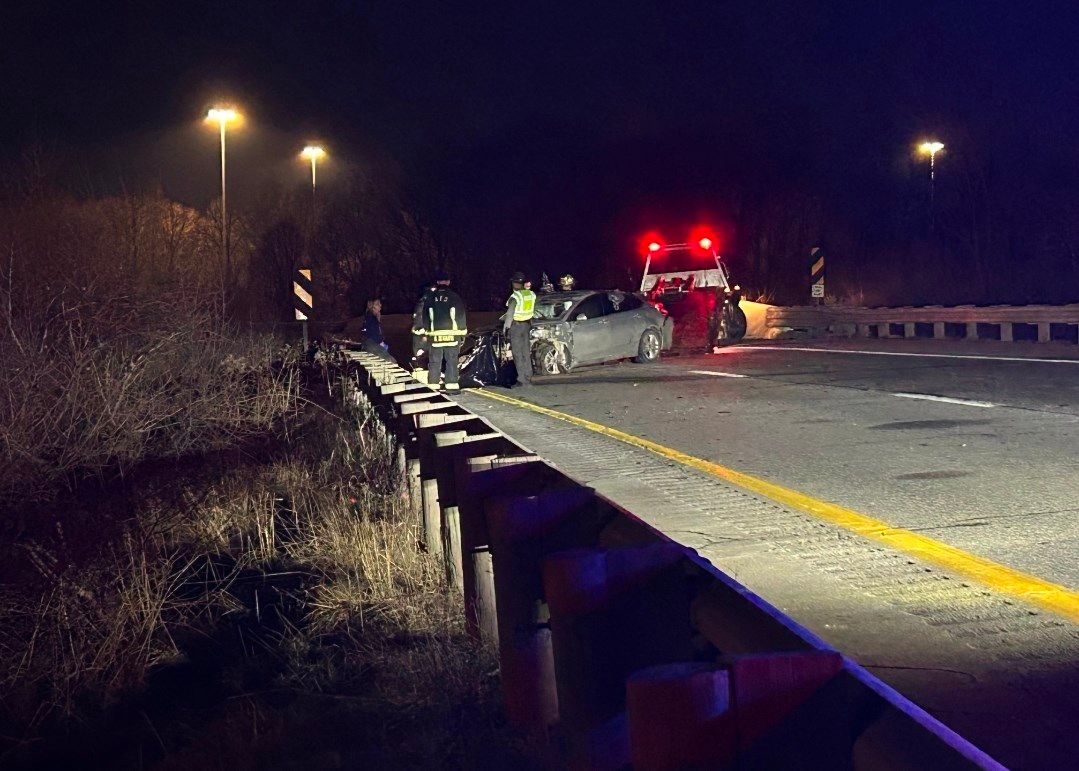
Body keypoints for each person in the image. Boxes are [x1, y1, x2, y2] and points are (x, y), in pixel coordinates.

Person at [418, 270, 468, 390]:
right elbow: (460, 315)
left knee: (434, 362)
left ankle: (433, 387)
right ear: (448, 282)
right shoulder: (454, 297)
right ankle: (452, 386)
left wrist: (427, 332)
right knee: (452, 361)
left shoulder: (430, 298)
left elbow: (425, 317)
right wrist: (462, 333)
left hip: (435, 337)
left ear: (437, 282)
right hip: (452, 336)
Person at [503, 271, 536, 387]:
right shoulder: (531, 294)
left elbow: (510, 314)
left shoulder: (515, 296)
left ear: (515, 284)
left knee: (517, 353)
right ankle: (529, 377)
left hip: (516, 327)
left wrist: (506, 330)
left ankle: (521, 379)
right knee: (526, 352)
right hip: (526, 326)